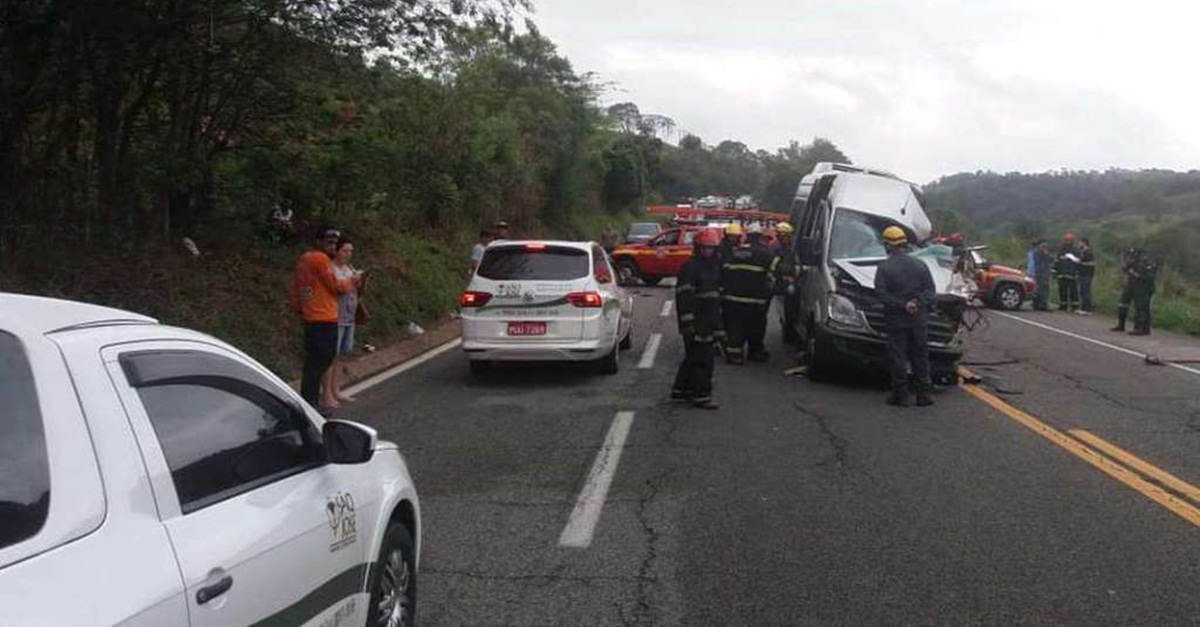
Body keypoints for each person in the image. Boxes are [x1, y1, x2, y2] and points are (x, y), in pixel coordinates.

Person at [290, 227, 359, 410]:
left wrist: (300, 309)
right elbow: (336, 286)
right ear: (318, 241)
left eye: (334, 243)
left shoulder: (304, 260)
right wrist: (353, 280)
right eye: (329, 242)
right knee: (322, 359)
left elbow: (297, 288)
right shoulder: (320, 260)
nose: (332, 247)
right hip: (323, 316)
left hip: (312, 315)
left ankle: (311, 401)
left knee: (316, 361)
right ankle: (311, 403)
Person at [874, 226, 935, 407]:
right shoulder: (920, 265)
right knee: (920, 356)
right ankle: (924, 395)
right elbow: (931, 291)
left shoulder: (884, 267)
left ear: (887, 245)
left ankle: (901, 395)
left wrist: (903, 305)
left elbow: (881, 294)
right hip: (918, 320)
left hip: (896, 322)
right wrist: (917, 303)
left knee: (898, 357)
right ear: (904, 243)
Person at [671, 228, 724, 410]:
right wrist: (688, 323)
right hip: (696, 322)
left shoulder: (714, 267)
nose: (709, 251)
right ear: (698, 247)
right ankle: (701, 395)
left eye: (712, 248)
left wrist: (718, 325)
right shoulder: (691, 267)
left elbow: (715, 298)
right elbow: (683, 296)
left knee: (693, 356)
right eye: (705, 247)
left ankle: (681, 389)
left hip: (709, 320)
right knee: (703, 359)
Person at [721, 223, 775, 364]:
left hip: (733, 298)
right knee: (756, 326)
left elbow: (724, 271)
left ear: (747, 236)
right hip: (756, 300)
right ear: (759, 236)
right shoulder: (766, 253)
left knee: (734, 326)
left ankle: (734, 355)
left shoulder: (735, 251)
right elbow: (773, 275)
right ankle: (755, 353)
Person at [322, 237, 363, 408]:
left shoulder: (348, 268)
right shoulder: (330, 269)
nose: (348, 254)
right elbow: (336, 289)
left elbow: (357, 291)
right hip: (335, 317)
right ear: (336, 251)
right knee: (330, 356)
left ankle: (336, 389)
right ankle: (327, 394)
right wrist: (352, 281)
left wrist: (361, 280)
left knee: (340, 355)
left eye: (350, 251)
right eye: (345, 250)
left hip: (349, 316)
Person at [773, 222, 803, 345]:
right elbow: (778, 267)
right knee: (788, 311)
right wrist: (796, 271)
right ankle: (790, 334)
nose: (788, 238)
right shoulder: (777, 249)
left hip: (790, 283)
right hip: (781, 284)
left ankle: (791, 333)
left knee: (791, 310)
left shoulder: (791, 248)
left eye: (788, 236)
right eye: (785, 236)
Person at [1129, 250, 1158, 336]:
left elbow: (1150, 277)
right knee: (1139, 307)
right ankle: (1139, 327)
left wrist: (1137, 275)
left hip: (1147, 289)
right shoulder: (1139, 264)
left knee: (1143, 308)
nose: (1143, 257)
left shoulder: (1150, 265)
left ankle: (1142, 328)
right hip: (1139, 288)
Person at [1112, 247, 1140, 332]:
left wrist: (1133, 272)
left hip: (1138, 286)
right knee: (1122, 304)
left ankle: (1137, 327)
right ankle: (1121, 325)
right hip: (1129, 284)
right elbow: (1124, 269)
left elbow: (1141, 275)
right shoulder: (1130, 263)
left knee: (1138, 307)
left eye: (1133, 255)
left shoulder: (1141, 263)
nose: (1131, 257)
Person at [1053, 232, 1080, 311]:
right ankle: (1063, 305)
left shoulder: (1075, 251)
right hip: (1061, 274)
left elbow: (1078, 262)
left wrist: (1076, 272)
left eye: (1070, 240)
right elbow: (1057, 261)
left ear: (1072, 241)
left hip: (1071, 274)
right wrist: (1055, 272)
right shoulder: (1061, 250)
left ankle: (1074, 306)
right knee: (1062, 291)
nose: (1068, 242)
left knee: (1073, 291)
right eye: (1067, 240)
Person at [1075, 237, 1095, 315]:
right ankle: (1083, 308)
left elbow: (1092, 263)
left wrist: (1081, 263)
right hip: (1081, 273)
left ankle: (1087, 309)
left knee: (1086, 291)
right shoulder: (1082, 252)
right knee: (1082, 291)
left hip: (1087, 274)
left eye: (1080, 243)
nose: (1078, 245)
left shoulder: (1089, 252)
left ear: (1084, 243)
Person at [1032, 240, 1053, 311]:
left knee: (1045, 288)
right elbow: (1038, 262)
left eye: (1045, 247)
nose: (1044, 248)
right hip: (1039, 273)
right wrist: (1044, 254)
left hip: (1045, 273)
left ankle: (1043, 303)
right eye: (1043, 246)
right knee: (1040, 289)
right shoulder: (1036, 253)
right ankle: (1040, 303)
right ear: (1039, 246)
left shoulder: (1046, 254)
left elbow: (1049, 261)